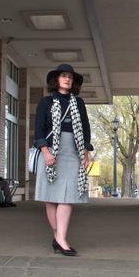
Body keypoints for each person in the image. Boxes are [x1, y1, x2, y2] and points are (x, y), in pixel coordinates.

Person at [34, 64, 93, 256]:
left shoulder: (79, 103)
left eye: (70, 77)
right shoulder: (46, 102)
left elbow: (85, 129)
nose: (67, 79)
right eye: (63, 76)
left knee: (68, 197)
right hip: (51, 150)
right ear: (56, 79)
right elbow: (39, 129)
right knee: (51, 199)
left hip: (73, 151)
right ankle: (58, 237)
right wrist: (45, 151)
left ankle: (61, 238)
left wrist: (85, 152)